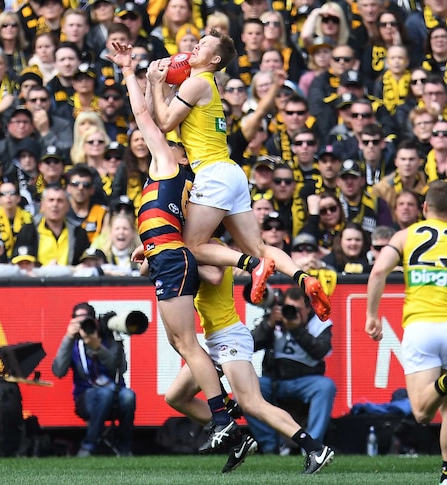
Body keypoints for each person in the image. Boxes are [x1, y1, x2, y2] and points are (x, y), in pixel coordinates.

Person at [109, 42, 240, 453]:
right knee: (180, 342)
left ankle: (224, 417)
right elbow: (166, 223)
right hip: (166, 255)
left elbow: (145, 116)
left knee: (185, 343)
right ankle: (227, 419)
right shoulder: (178, 173)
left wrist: (135, 74)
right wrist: (146, 247)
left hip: (170, 260)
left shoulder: (169, 162)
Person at [147, 32, 331, 321]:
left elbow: (166, 122)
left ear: (216, 59)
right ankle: (304, 278)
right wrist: (161, 86)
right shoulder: (202, 84)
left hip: (212, 172)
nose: (196, 45)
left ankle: (252, 265)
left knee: (191, 245)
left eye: (204, 44)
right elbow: (162, 117)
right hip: (231, 172)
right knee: (258, 244)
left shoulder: (197, 82)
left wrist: (157, 84)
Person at [366, 180, 447, 485]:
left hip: (420, 326)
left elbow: (378, 272)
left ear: (424, 208)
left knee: (422, 414)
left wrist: (372, 315)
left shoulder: (405, 235)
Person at [162, 240, 335, 474]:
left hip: (229, 336)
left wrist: (177, 260)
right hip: (214, 340)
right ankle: (235, 438)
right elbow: (147, 267)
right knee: (176, 397)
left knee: (252, 403)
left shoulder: (211, 245)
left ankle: (315, 448)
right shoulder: (189, 249)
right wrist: (155, 248)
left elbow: (213, 276)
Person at [245, 284, 338, 466]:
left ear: (307, 307)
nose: (292, 313)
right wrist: (268, 324)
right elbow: (250, 345)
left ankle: (311, 446)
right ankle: (271, 446)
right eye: (289, 309)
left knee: (326, 387)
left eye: (297, 310)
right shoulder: (275, 319)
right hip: (275, 381)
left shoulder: (319, 323)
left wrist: (297, 329)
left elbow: (320, 350)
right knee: (246, 388)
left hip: (306, 382)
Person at [51, 302, 135, 458]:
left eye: (87, 320)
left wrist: (98, 347)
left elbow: (120, 369)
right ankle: (88, 446)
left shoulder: (109, 338)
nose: (84, 325)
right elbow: (58, 371)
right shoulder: (74, 343)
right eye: (79, 321)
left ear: (95, 321)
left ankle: (125, 448)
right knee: (104, 394)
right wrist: (69, 336)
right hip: (86, 398)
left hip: (116, 393)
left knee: (129, 396)